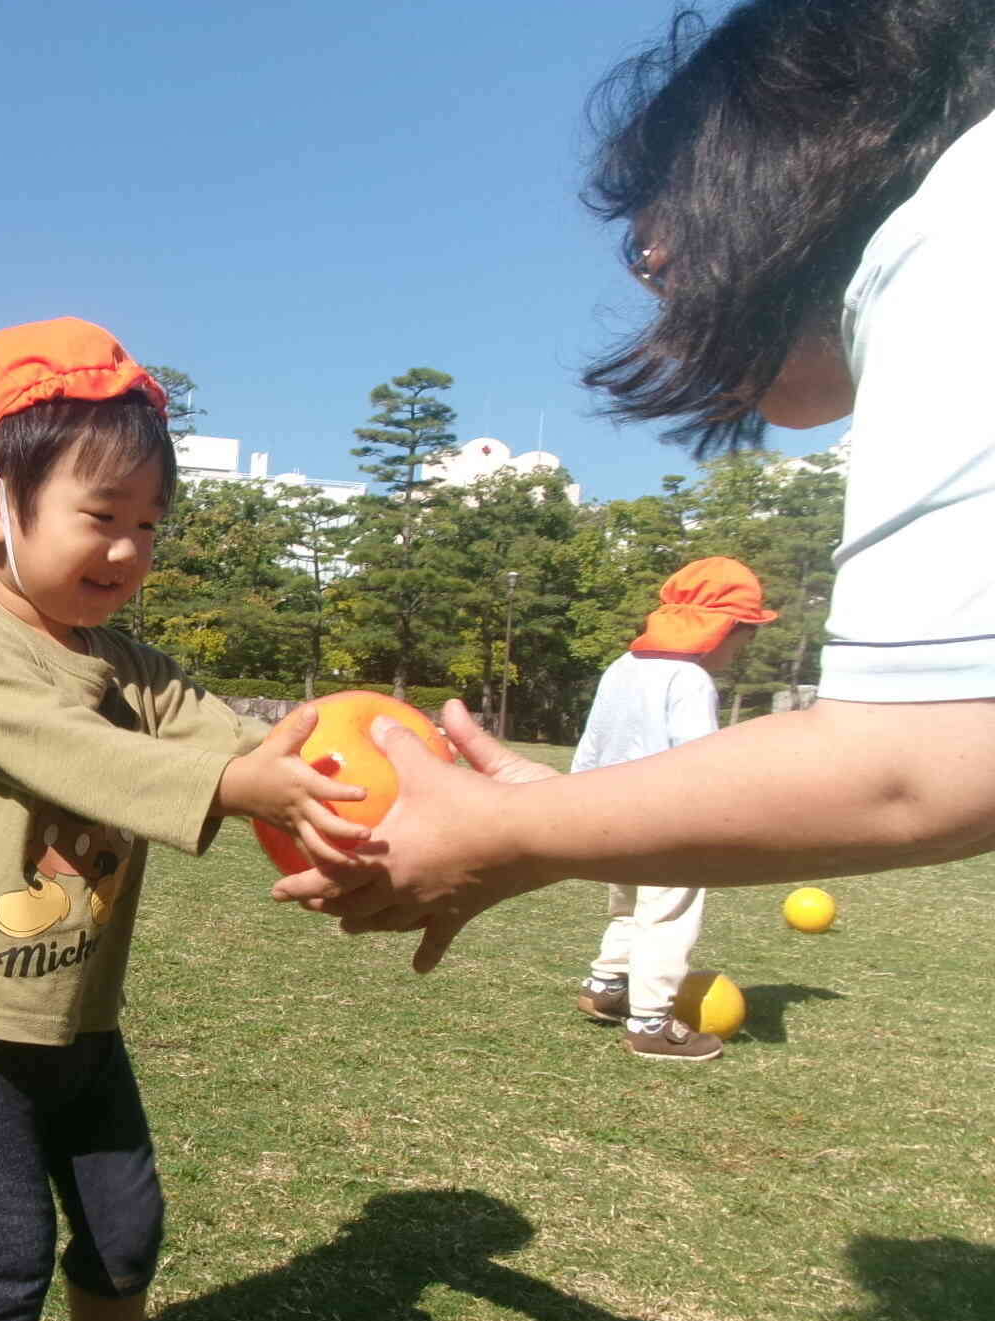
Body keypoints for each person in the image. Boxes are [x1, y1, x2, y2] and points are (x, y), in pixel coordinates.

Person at [272, 0, 995, 969]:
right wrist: (536, 820)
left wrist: (511, 832)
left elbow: (928, 760)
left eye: (650, 239)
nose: (649, 272)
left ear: (755, 167)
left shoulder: (955, 237)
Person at [0, 318, 366, 1321]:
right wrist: (228, 787)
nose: (128, 547)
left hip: (75, 1013)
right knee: (4, 1244)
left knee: (122, 1221)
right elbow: (82, 758)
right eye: (102, 514)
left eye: (148, 524)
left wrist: (303, 761)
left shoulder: (125, 659)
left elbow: (210, 731)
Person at [571, 557, 777, 1061]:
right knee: (667, 914)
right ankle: (650, 1025)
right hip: (665, 822)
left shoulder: (623, 666)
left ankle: (606, 987)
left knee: (626, 906)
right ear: (723, 627)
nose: (745, 647)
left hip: (607, 811)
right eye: (745, 634)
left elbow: (591, 745)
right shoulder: (689, 680)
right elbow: (699, 762)